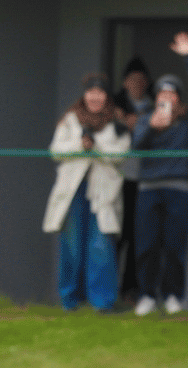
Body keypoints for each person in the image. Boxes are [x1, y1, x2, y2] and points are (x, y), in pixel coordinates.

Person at [43, 72, 129, 311]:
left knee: (100, 246)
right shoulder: (70, 119)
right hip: (73, 192)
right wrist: (80, 146)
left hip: (103, 193)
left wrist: (96, 146)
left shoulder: (116, 121)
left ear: (106, 96)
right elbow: (56, 150)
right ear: (84, 94)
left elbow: (120, 154)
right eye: (91, 92)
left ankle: (102, 303)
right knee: (72, 245)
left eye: (100, 92)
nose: (95, 97)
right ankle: (70, 300)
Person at [128, 38, 188, 315]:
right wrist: (152, 128)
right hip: (148, 189)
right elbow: (137, 147)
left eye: (172, 94)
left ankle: (173, 296)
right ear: (156, 97)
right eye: (162, 93)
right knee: (146, 245)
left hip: (178, 189)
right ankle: (147, 295)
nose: (167, 98)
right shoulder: (146, 118)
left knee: (174, 246)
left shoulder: (185, 121)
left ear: (178, 97)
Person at [114, 56, 153, 303]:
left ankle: (131, 290)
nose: (137, 84)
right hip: (120, 178)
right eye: (132, 80)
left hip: (146, 178)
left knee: (140, 236)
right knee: (118, 234)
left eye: (141, 80)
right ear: (125, 82)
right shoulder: (114, 106)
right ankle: (108, 291)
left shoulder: (155, 106)